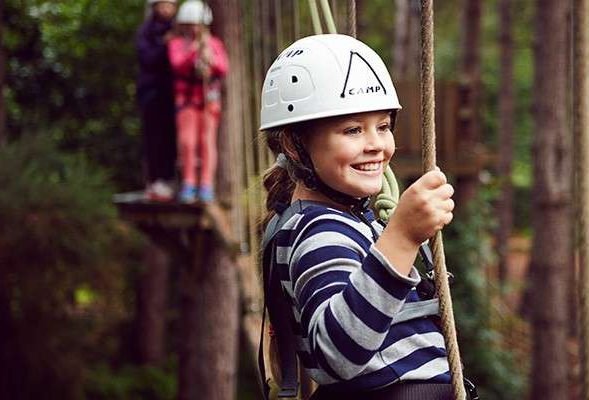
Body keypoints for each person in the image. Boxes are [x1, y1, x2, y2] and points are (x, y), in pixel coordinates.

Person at [259, 35, 475, 400]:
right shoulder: (320, 233)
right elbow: (338, 353)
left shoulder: (344, 221)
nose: (376, 144)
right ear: (295, 144)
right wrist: (402, 237)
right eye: (353, 130)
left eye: (384, 126)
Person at [168, 0, 229, 203]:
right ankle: (188, 182)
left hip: (208, 100)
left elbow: (223, 68)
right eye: (189, 24)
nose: (193, 28)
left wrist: (209, 57)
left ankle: (206, 185)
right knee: (187, 142)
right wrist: (195, 50)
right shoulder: (177, 44)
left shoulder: (214, 44)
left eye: (197, 24)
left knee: (207, 142)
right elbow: (177, 65)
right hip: (186, 100)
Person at [136, 0, 178, 201]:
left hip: (173, 94)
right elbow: (147, 59)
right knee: (153, 138)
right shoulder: (146, 32)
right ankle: (154, 181)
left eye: (170, 5)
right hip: (151, 93)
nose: (167, 9)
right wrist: (165, 45)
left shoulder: (178, 29)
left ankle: (170, 179)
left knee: (171, 138)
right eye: (163, 5)